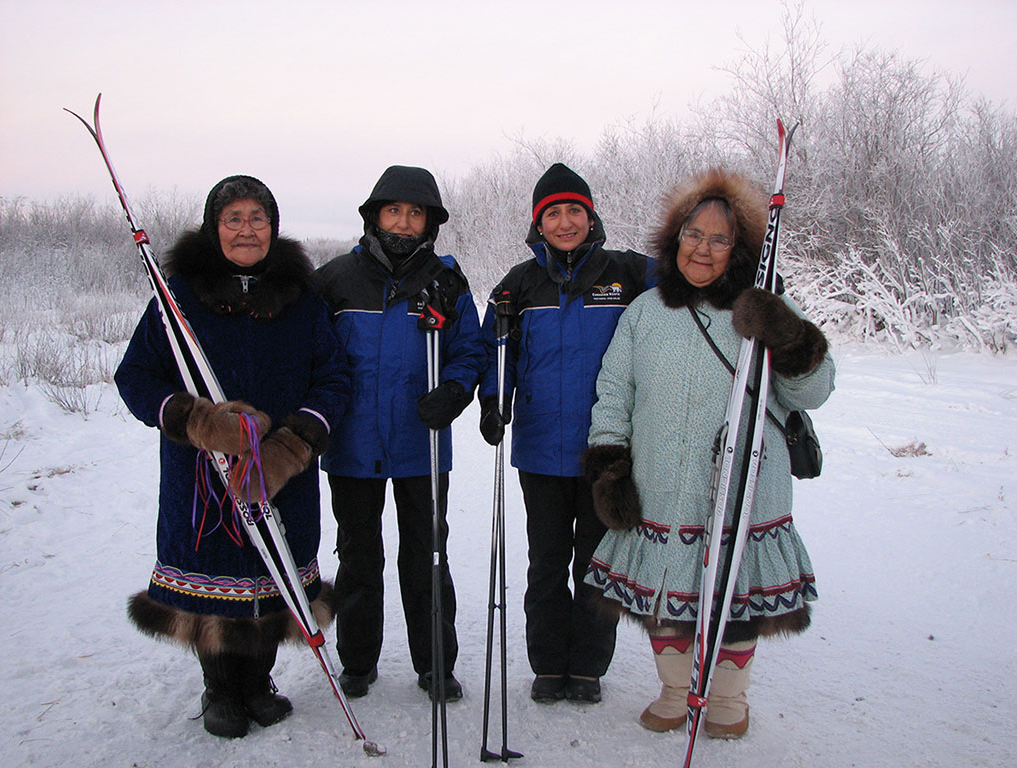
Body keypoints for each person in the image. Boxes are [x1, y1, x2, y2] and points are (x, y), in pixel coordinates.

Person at [582, 168, 835, 738]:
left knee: (732, 595)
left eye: (719, 238)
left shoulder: (763, 306)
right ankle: (675, 691)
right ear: (675, 241)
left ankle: (726, 700)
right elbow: (614, 391)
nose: (703, 247)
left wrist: (787, 334)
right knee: (669, 597)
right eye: (693, 234)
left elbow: (812, 391)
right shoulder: (645, 312)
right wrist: (610, 468)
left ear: (739, 248)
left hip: (744, 485)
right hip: (661, 486)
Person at [115, 175, 350, 739]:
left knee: (273, 574)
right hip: (203, 476)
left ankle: (257, 682)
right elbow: (137, 376)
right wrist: (196, 421)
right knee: (215, 581)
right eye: (234, 219)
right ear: (213, 227)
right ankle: (221, 688)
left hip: (280, 472)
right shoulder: (179, 297)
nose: (247, 230)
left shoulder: (303, 300)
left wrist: (292, 445)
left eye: (257, 219)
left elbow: (335, 378)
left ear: (273, 226)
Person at [477, 163, 656, 704]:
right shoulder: (518, 283)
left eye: (573, 210)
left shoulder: (628, 273)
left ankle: (588, 668)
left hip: (609, 452)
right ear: (538, 223)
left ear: (590, 214)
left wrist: (746, 276)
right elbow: (495, 352)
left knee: (597, 564)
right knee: (547, 563)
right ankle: (549, 664)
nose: (564, 221)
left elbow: (696, 272)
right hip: (540, 449)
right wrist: (492, 400)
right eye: (552, 212)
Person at [317, 165, 484, 702]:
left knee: (427, 554)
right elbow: (314, 356)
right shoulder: (336, 279)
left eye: (416, 214)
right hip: (352, 445)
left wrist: (456, 391)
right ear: (374, 215)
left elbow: (470, 350)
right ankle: (358, 661)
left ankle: (435, 662)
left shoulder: (447, 281)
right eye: (395, 211)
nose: (404, 222)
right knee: (358, 554)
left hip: (422, 442)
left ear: (429, 223)